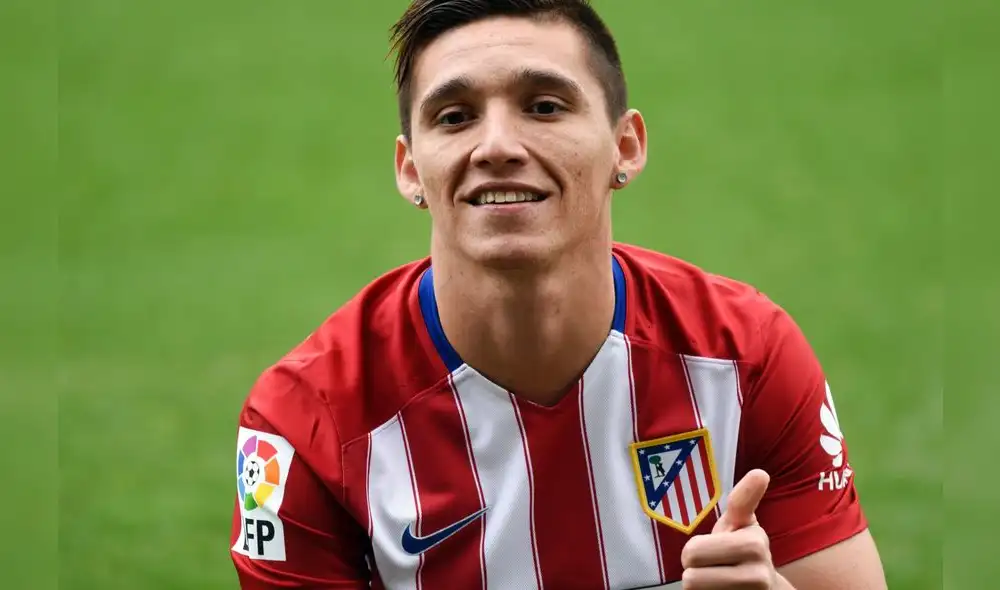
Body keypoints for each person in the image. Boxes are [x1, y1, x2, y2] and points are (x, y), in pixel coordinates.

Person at [229, 0, 888, 588]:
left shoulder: (744, 358)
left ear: (624, 147)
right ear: (411, 170)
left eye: (544, 106)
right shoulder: (305, 423)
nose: (497, 146)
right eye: (455, 117)